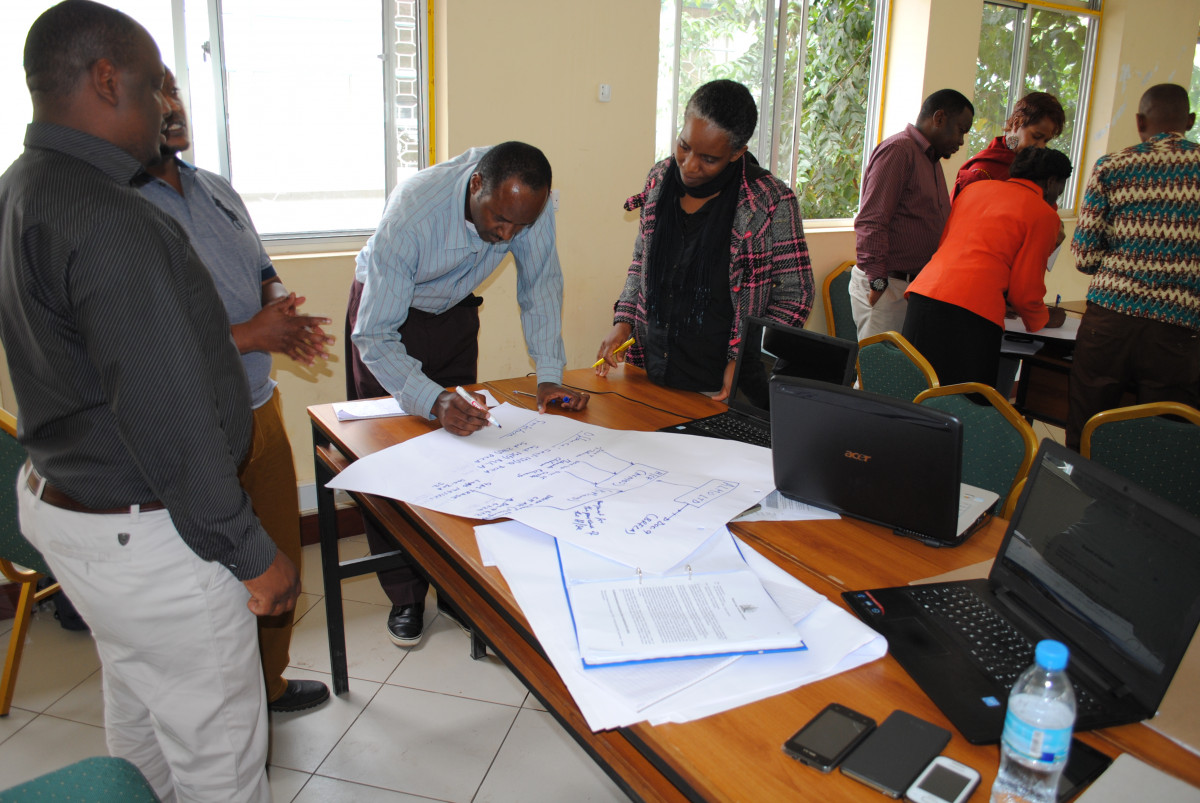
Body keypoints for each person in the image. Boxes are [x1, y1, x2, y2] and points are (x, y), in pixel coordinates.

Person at [0, 2, 298, 800]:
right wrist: (249, 549)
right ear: (106, 81)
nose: (166, 107)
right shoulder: (113, 217)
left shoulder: (24, 186)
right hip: (150, 531)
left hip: (70, 507)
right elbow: (169, 409)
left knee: (138, 709)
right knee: (223, 758)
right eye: (150, 87)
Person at [139, 68, 332, 713]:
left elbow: (262, 268)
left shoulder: (217, 190)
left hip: (259, 410)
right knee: (215, 576)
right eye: (155, 93)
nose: (172, 108)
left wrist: (281, 311)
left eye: (176, 91)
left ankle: (269, 686)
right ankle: (222, 709)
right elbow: (142, 342)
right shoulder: (121, 203)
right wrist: (252, 333)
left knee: (281, 559)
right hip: (190, 423)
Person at [347, 142, 589, 646]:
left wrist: (548, 374)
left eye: (519, 226)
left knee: (464, 451)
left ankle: (457, 589)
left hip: (454, 315)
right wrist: (429, 398)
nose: (507, 234)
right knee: (392, 460)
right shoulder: (414, 211)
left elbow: (541, 284)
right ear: (476, 185)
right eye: (500, 220)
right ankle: (406, 596)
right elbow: (374, 334)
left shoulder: (527, 204)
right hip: (390, 320)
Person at [595, 79, 814, 395]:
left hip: (719, 383)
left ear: (738, 152)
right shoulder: (658, 180)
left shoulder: (770, 201)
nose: (689, 165)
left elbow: (796, 295)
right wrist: (623, 321)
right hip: (650, 368)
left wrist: (742, 356)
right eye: (684, 146)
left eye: (709, 159)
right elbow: (640, 262)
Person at [1066, 83, 1200, 450]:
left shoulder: (1113, 166)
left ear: (1140, 121)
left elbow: (1086, 257)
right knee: (1166, 435)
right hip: (1179, 328)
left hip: (1109, 322)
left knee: (1089, 424)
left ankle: (1078, 495)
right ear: (1189, 121)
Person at [902, 148, 1072, 388]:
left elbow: (952, 249)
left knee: (917, 392)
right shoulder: (1043, 214)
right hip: (970, 317)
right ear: (1052, 181)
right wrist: (1043, 318)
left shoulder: (974, 190)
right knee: (964, 406)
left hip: (923, 298)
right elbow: (1025, 291)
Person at [851, 89, 975, 341]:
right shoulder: (899, 151)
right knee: (876, 376)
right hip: (887, 285)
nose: (961, 141)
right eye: (961, 130)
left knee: (901, 375)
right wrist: (877, 283)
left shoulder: (930, 160)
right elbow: (872, 220)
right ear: (939, 118)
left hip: (914, 288)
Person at [952, 92, 1065, 200]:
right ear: (1017, 123)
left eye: (1046, 141)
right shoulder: (983, 171)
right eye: (1036, 136)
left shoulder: (1038, 171)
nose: (1040, 146)